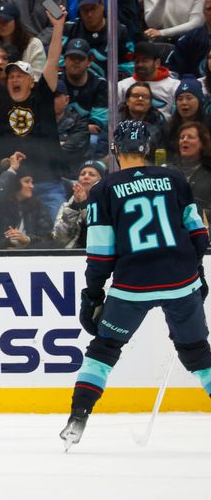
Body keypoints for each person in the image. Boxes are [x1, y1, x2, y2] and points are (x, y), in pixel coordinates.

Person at [60, 120, 211, 450]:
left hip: (132, 287)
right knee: (198, 354)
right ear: (146, 148)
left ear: (115, 150)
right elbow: (198, 234)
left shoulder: (104, 190)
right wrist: (196, 273)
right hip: (180, 281)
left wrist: (93, 294)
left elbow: (101, 253)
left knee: (103, 351)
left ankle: (78, 416)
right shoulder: (174, 178)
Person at [0, 4, 69, 220]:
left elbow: (52, 58)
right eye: (11, 76)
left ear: (31, 81)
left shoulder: (42, 94)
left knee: (55, 235)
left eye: (20, 76)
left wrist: (58, 27)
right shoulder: (1, 96)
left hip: (46, 182)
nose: (14, 79)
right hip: (10, 183)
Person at [0, 2, 46, 80]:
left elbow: (36, 77)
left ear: (16, 22)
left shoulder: (33, 44)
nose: (1, 25)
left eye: (5, 21)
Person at [52, 159, 107, 248]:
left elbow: (100, 234)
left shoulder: (107, 203)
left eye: (91, 174)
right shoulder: (68, 206)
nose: (86, 177)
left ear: (101, 181)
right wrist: (74, 207)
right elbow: (60, 239)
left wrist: (84, 205)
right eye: (82, 174)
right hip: (72, 257)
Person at [118, 42, 181, 119]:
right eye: (137, 61)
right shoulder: (122, 86)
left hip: (163, 129)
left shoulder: (174, 86)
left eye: (145, 61)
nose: (140, 65)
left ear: (157, 63)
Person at [167, 120, 211, 221]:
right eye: (182, 137)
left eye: (190, 137)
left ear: (202, 143)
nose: (184, 140)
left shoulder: (209, 172)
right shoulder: (168, 170)